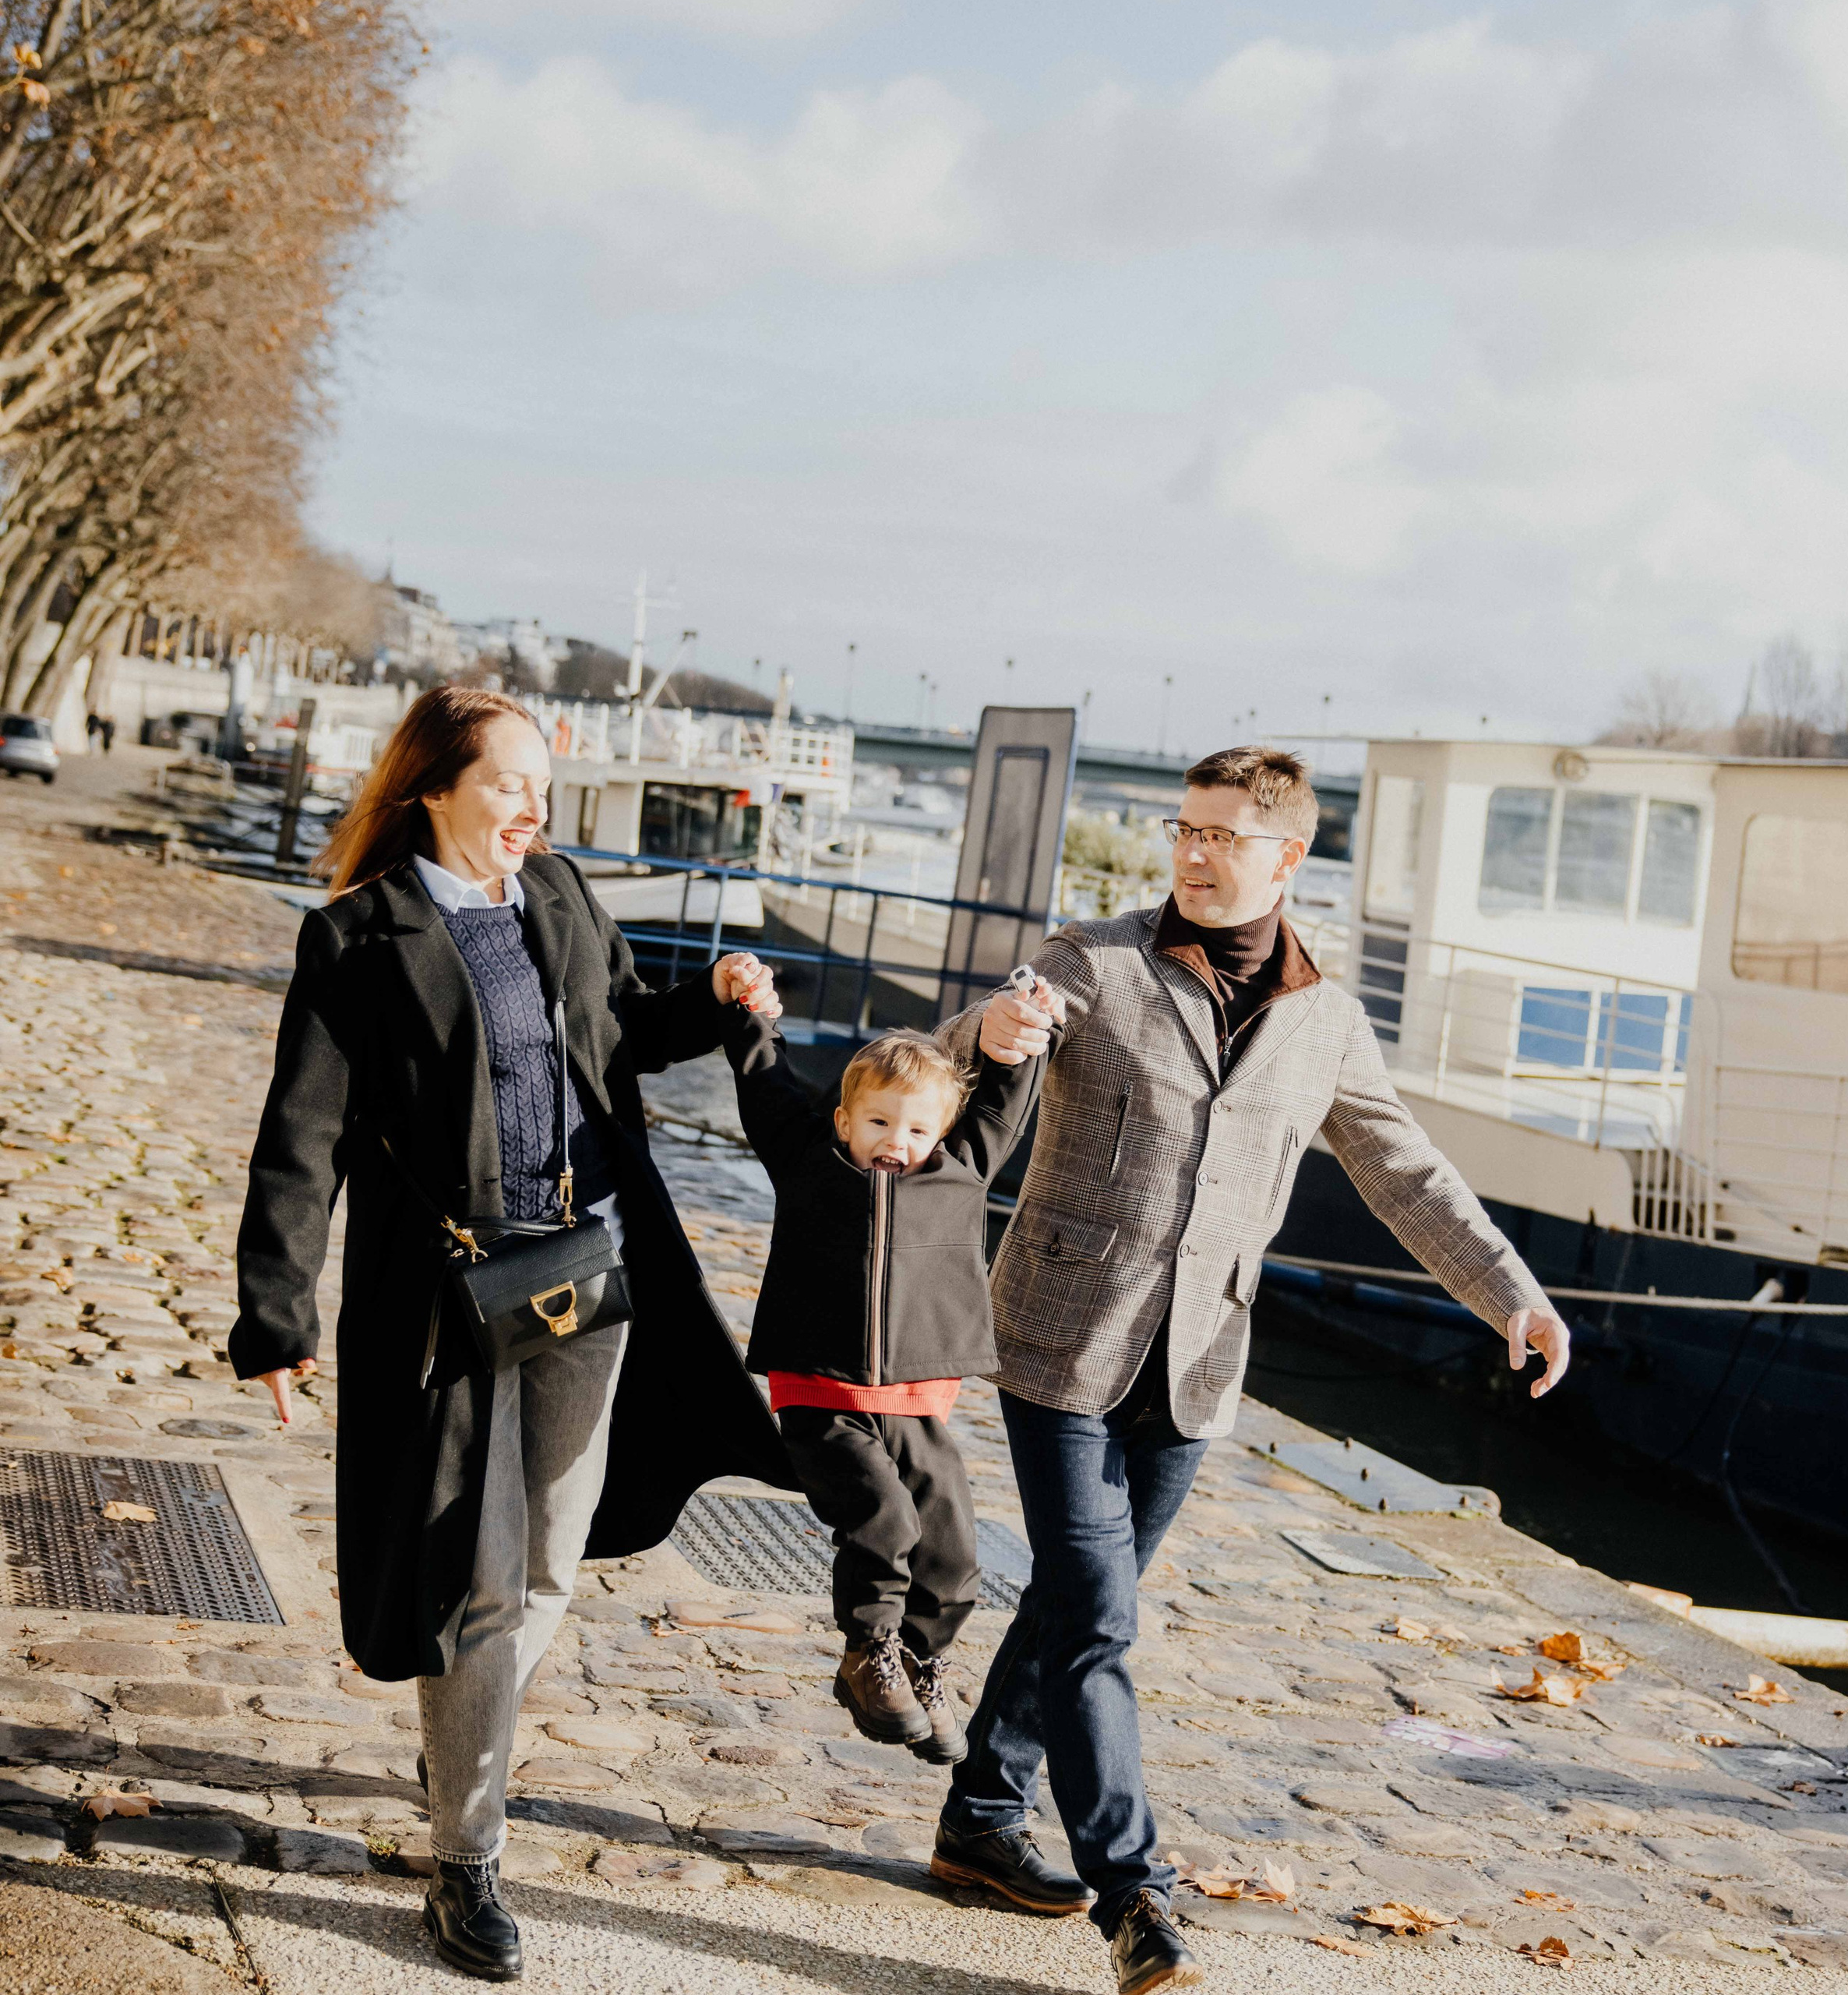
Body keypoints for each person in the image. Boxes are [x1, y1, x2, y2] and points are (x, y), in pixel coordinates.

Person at [926, 745, 1572, 1995]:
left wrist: (1511, 1293)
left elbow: (1404, 1169)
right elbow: (946, 1063)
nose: (1198, 854)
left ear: (1291, 855)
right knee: (1099, 1614)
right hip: (1060, 1339)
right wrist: (989, 1032)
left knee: (1073, 1605)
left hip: (1198, 1361)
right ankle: (1136, 1897)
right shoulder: (1093, 961)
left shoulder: (1323, 1017)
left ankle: (981, 1816)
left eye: (1227, 836)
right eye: (1187, 830)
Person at [229, 684, 794, 1983]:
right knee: (481, 1584)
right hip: (446, 1305)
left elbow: (623, 1039)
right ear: (436, 786)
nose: (534, 806)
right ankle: (466, 1856)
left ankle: (461, 1731)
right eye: (509, 783)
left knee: (543, 1570)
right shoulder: (359, 940)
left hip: (589, 1277)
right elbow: (299, 1141)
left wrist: (715, 1000)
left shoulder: (563, 898)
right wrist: (276, 1312)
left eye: (544, 783)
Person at [717, 983, 1050, 1762]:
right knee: (883, 1519)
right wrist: (748, 1012)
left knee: (953, 1553)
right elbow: (766, 1083)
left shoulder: (960, 1170)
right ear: (844, 1120)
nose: (895, 1140)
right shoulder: (807, 1158)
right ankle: (867, 1649)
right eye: (876, 1122)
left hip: (915, 1399)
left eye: (914, 1127)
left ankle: (921, 1662)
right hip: (820, 1392)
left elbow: (1002, 1100)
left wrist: (1018, 1040)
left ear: (942, 1131)